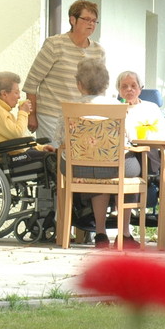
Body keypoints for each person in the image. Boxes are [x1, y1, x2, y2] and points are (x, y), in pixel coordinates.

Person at [68, 58, 142, 250]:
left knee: (97, 170)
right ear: (108, 84)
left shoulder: (70, 107)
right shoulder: (117, 107)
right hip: (113, 167)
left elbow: (61, 137)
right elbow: (131, 137)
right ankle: (124, 234)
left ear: (79, 84)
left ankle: (100, 234)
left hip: (79, 167)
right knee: (127, 167)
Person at [23, 0, 106, 146]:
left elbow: (100, 87)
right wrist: (32, 115)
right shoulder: (55, 44)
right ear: (72, 20)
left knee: (76, 162)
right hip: (51, 115)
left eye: (94, 21)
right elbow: (32, 82)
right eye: (86, 19)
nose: (91, 24)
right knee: (56, 161)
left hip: (83, 118)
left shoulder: (98, 51)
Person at [0, 71, 55, 161]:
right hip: (6, 157)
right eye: (16, 93)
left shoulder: (1, 109)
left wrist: (40, 147)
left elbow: (18, 137)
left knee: (52, 156)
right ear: (4, 94)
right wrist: (23, 112)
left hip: (15, 152)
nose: (19, 97)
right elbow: (17, 133)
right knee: (51, 159)